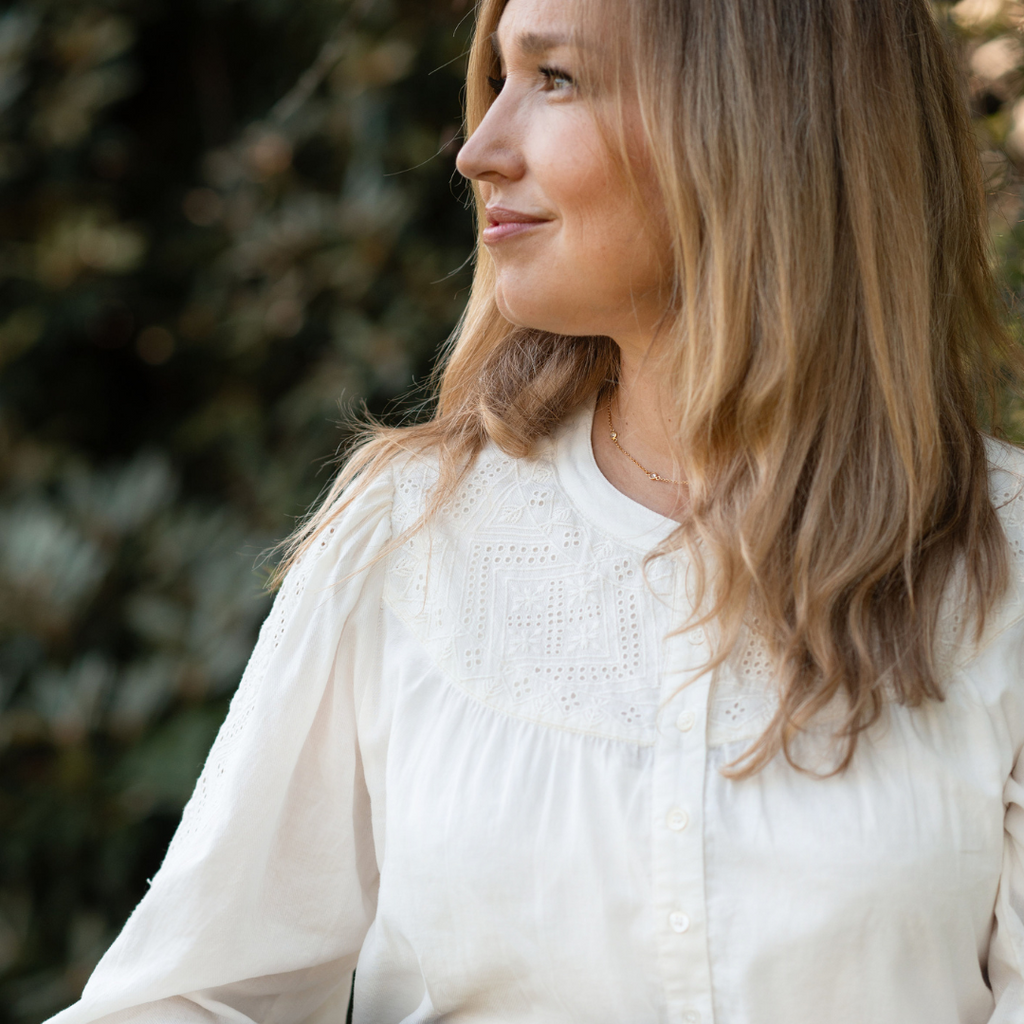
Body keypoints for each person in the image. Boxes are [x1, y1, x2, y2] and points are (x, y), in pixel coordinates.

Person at [45, 0, 1024, 1021]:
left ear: (757, 126)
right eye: (497, 80)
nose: (476, 150)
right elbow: (188, 999)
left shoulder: (1006, 565)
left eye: (553, 79)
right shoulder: (411, 535)